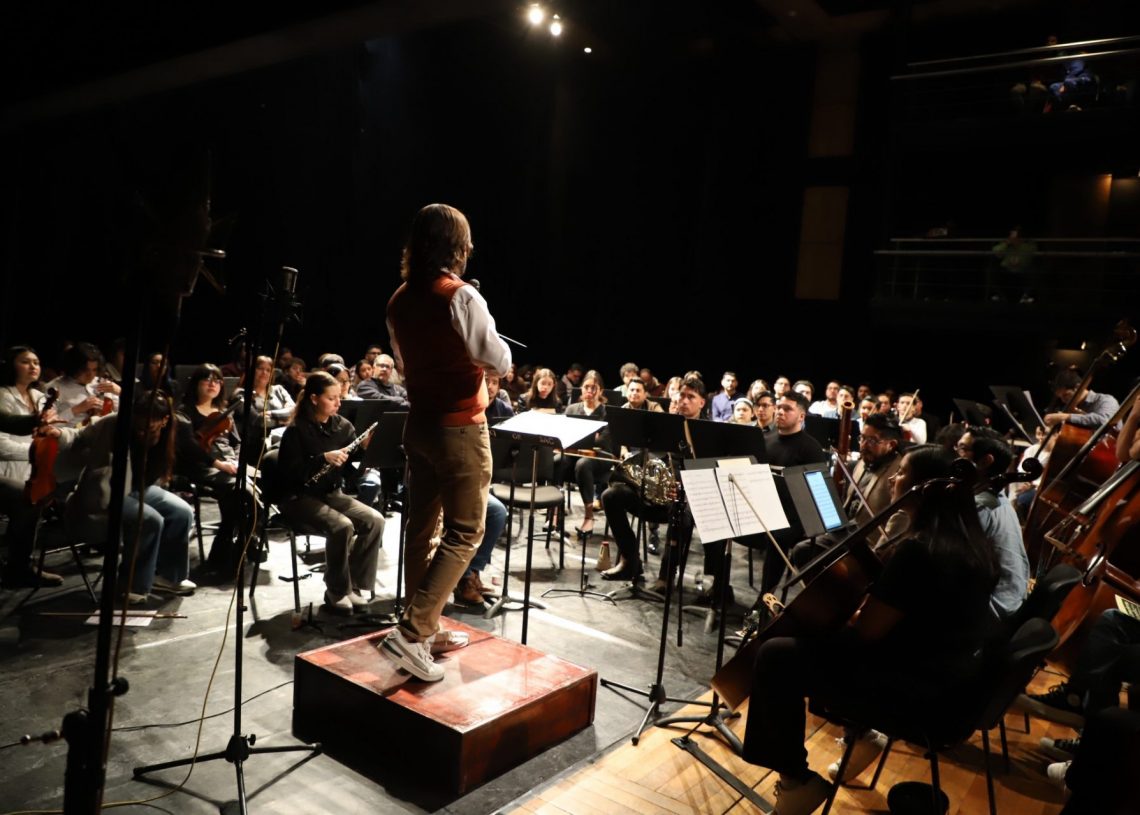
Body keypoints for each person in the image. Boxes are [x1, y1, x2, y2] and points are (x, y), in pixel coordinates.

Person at [740, 474, 999, 814]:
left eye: (903, 471)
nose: (894, 477)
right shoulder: (975, 548)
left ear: (922, 490)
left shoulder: (920, 550)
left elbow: (867, 634)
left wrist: (828, 623)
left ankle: (795, 781)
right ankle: (859, 734)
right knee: (816, 646)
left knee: (777, 656)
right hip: (948, 684)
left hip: (914, 696)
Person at [382, 203, 511, 682]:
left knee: (421, 528)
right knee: (465, 532)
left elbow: (403, 362)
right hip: (459, 428)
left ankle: (426, 626)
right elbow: (497, 359)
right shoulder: (462, 296)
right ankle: (413, 633)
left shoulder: (398, 300)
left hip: (419, 425)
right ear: (457, 247)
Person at [57, 391, 197, 603]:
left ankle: (168, 576)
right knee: (149, 519)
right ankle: (132, 585)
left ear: (164, 420)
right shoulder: (115, 423)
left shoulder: (168, 433)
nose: (142, 428)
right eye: (138, 421)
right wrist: (58, 433)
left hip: (137, 488)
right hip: (106, 491)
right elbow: (79, 436)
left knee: (181, 511)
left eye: (150, 424)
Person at [276, 371, 384, 613]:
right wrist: (322, 459)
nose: (338, 403)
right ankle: (336, 590)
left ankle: (353, 585)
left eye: (339, 398)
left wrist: (364, 451)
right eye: (331, 398)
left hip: (332, 493)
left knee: (375, 520)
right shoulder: (296, 430)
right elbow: (288, 473)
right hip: (299, 496)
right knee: (342, 526)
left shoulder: (343, 427)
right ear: (314, 399)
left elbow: (351, 470)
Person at [0, 346, 63, 588]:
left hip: (31, 469)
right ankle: (18, 567)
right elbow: (2, 445)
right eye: (25, 361)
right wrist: (35, 451)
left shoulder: (39, 396)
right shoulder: (2, 395)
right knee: (27, 499)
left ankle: (18, 563)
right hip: (5, 468)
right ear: (11, 365)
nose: (33, 366)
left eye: (36, 362)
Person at [954, 427, 1030, 620]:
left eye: (962, 449)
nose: (955, 456)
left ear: (985, 461)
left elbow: (950, 564)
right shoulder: (994, 498)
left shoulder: (981, 506)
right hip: (1006, 601)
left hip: (992, 608)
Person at [564, 370, 612, 536]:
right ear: (581, 388)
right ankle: (554, 514)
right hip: (574, 454)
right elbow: (564, 436)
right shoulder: (572, 409)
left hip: (601, 457)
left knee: (583, 464)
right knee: (556, 461)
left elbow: (603, 442)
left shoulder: (607, 413)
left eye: (594, 388)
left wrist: (585, 439)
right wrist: (592, 437)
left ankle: (589, 516)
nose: (589, 391)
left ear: (601, 391)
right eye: (586, 387)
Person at [46, 342, 121, 429]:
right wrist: (77, 409)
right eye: (85, 370)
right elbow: (48, 425)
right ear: (73, 367)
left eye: (94, 370)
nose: (91, 375)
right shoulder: (54, 387)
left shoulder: (103, 383)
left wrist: (120, 392)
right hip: (71, 435)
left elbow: (122, 415)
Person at [1045, 369, 1120, 431]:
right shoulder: (1074, 409)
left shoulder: (1106, 400)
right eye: (1060, 397)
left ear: (1078, 387)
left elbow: (1104, 421)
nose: (1063, 400)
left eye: (1065, 395)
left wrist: (1065, 417)